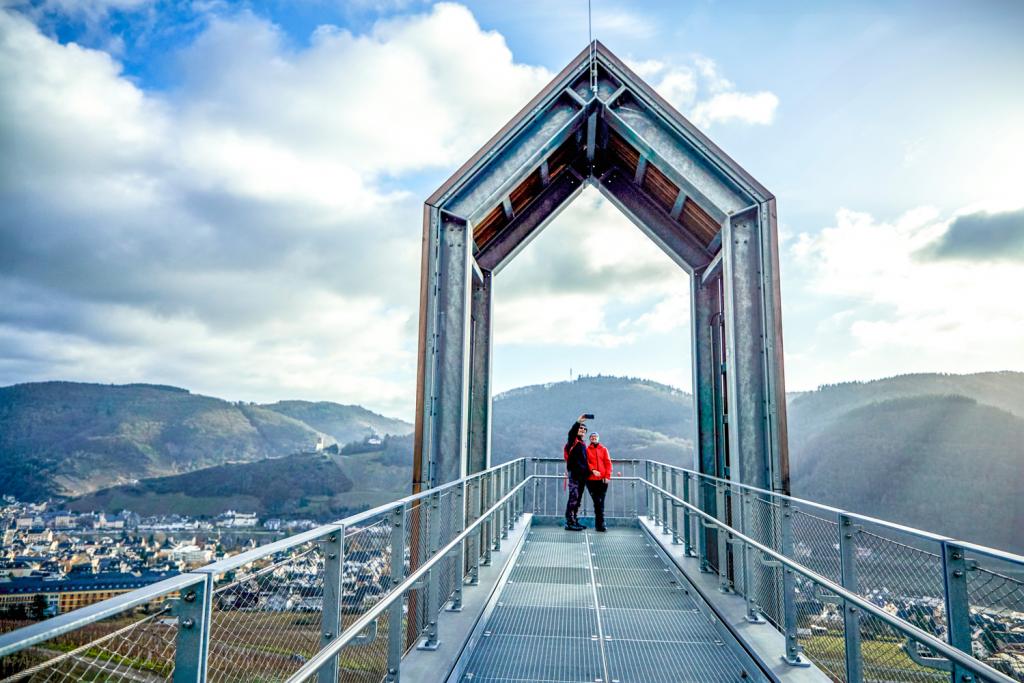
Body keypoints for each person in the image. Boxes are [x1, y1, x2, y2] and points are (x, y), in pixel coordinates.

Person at [563, 415, 590, 531]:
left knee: (577, 499)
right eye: (581, 429)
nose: (583, 431)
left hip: (582, 476)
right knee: (573, 498)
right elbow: (572, 432)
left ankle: (574, 519)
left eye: (585, 430)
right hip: (574, 474)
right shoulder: (573, 441)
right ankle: (569, 522)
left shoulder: (583, 444)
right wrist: (578, 422)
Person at [586, 432, 612, 532]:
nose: (594, 438)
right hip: (591, 480)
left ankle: (599, 524)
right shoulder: (587, 450)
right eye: (592, 437)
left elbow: (608, 463)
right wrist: (593, 470)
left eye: (595, 437)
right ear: (590, 439)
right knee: (597, 501)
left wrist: (607, 476)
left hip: (603, 480)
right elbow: (586, 462)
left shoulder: (604, 449)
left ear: (598, 438)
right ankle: (601, 524)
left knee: (601, 502)